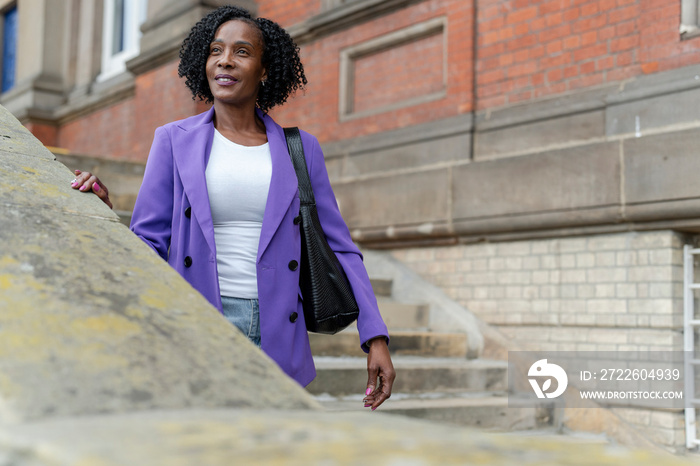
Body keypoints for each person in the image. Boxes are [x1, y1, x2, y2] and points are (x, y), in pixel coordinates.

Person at [71, 5, 394, 410]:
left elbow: (340, 246)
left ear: (264, 69)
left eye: (242, 51)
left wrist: (375, 334)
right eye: (215, 50)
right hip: (198, 320)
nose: (225, 60)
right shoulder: (172, 140)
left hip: (277, 327)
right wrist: (104, 212)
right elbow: (148, 242)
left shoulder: (300, 149)